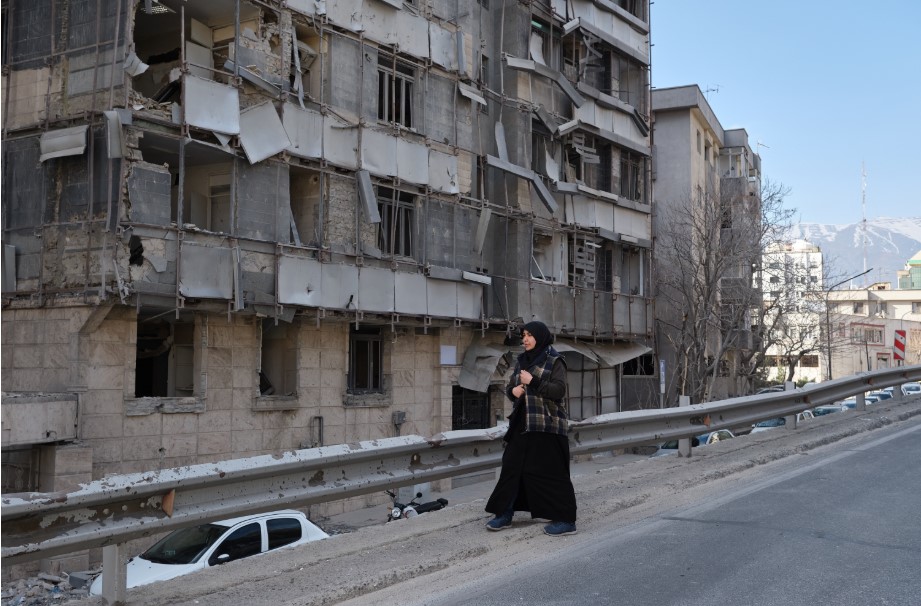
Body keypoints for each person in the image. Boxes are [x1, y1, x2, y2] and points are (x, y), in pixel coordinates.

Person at [484, 320, 578, 536]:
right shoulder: (522, 360)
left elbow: (559, 391)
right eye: (524, 335)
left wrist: (533, 381)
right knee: (511, 467)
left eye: (529, 335)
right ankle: (504, 514)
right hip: (522, 423)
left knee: (552, 472)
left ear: (541, 337)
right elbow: (511, 386)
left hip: (547, 425)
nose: (525, 339)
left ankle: (566, 520)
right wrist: (512, 391)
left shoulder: (555, 360)